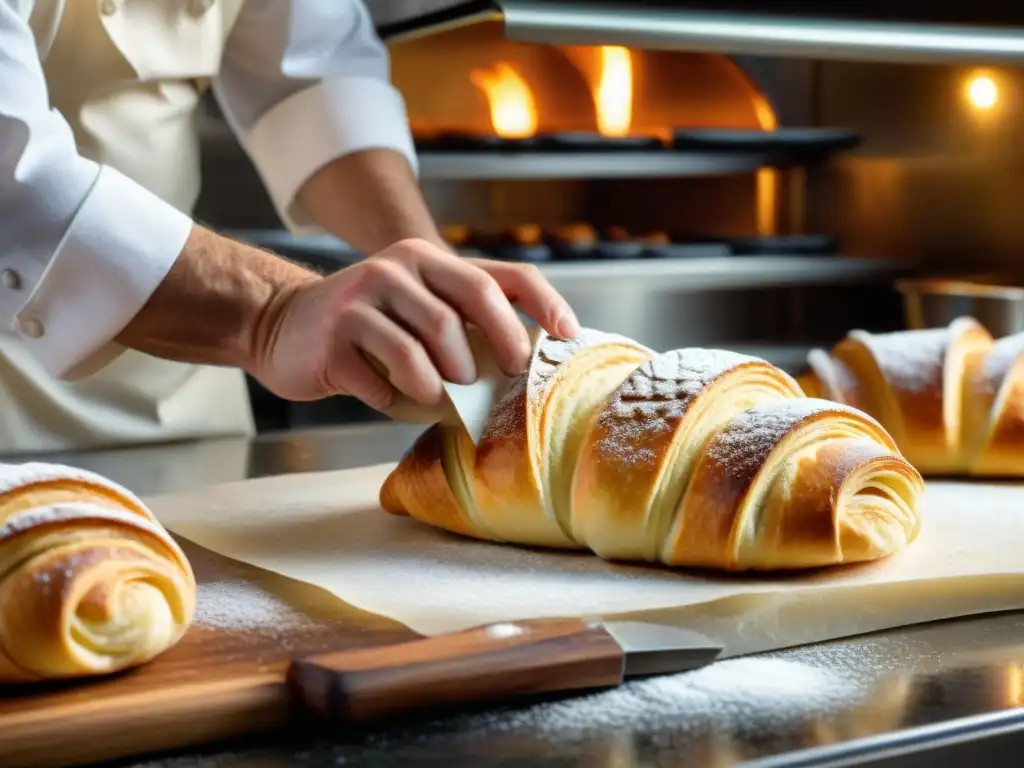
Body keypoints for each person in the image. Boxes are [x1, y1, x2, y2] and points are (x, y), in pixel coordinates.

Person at [0, 0, 580, 454]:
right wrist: (273, 313)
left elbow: (309, 76)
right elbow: (17, 183)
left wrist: (434, 280)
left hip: (192, 415)